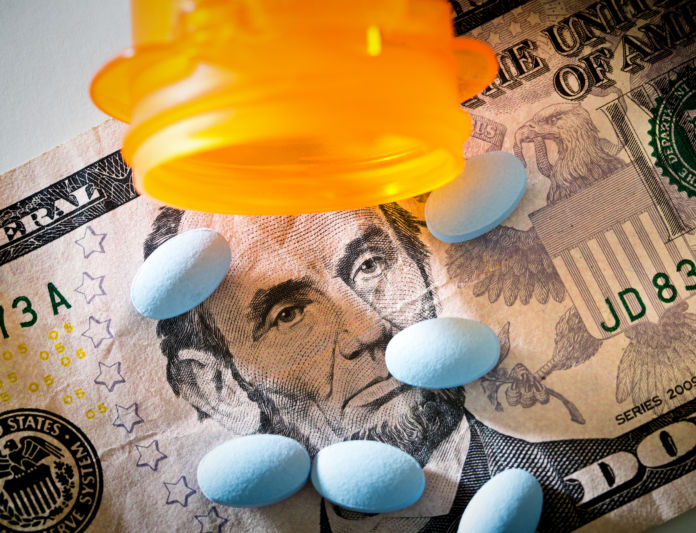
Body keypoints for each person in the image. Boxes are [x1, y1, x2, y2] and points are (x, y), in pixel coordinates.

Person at [144, 204, 579, 532]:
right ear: (218, 387)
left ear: (423, 264)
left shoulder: (579, 479)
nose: (369, 330)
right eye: (290, 314)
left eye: (369, 264)